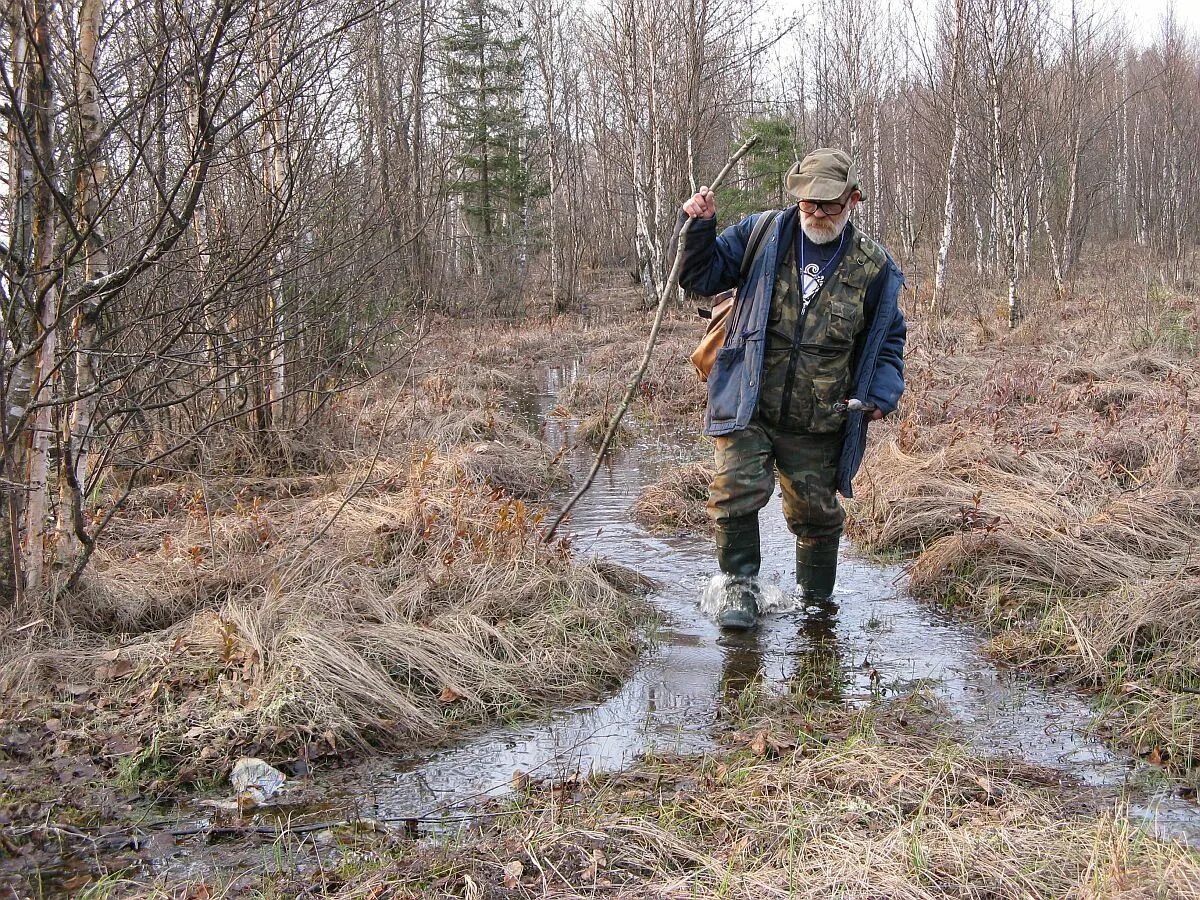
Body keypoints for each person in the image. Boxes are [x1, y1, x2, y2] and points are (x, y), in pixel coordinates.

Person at [674, 147, 907, 629]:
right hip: (748, 401)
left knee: (817, 514)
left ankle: (815, 602)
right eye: (808, 204)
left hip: (819, 416)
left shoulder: (873, 267)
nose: (817, 214)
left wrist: (882, 396)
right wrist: (699, 227)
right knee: (735, 488)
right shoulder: (762, 235)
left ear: (853, 200)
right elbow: (700, 276)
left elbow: (887, 339)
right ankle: (739, 588)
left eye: (829, 205)